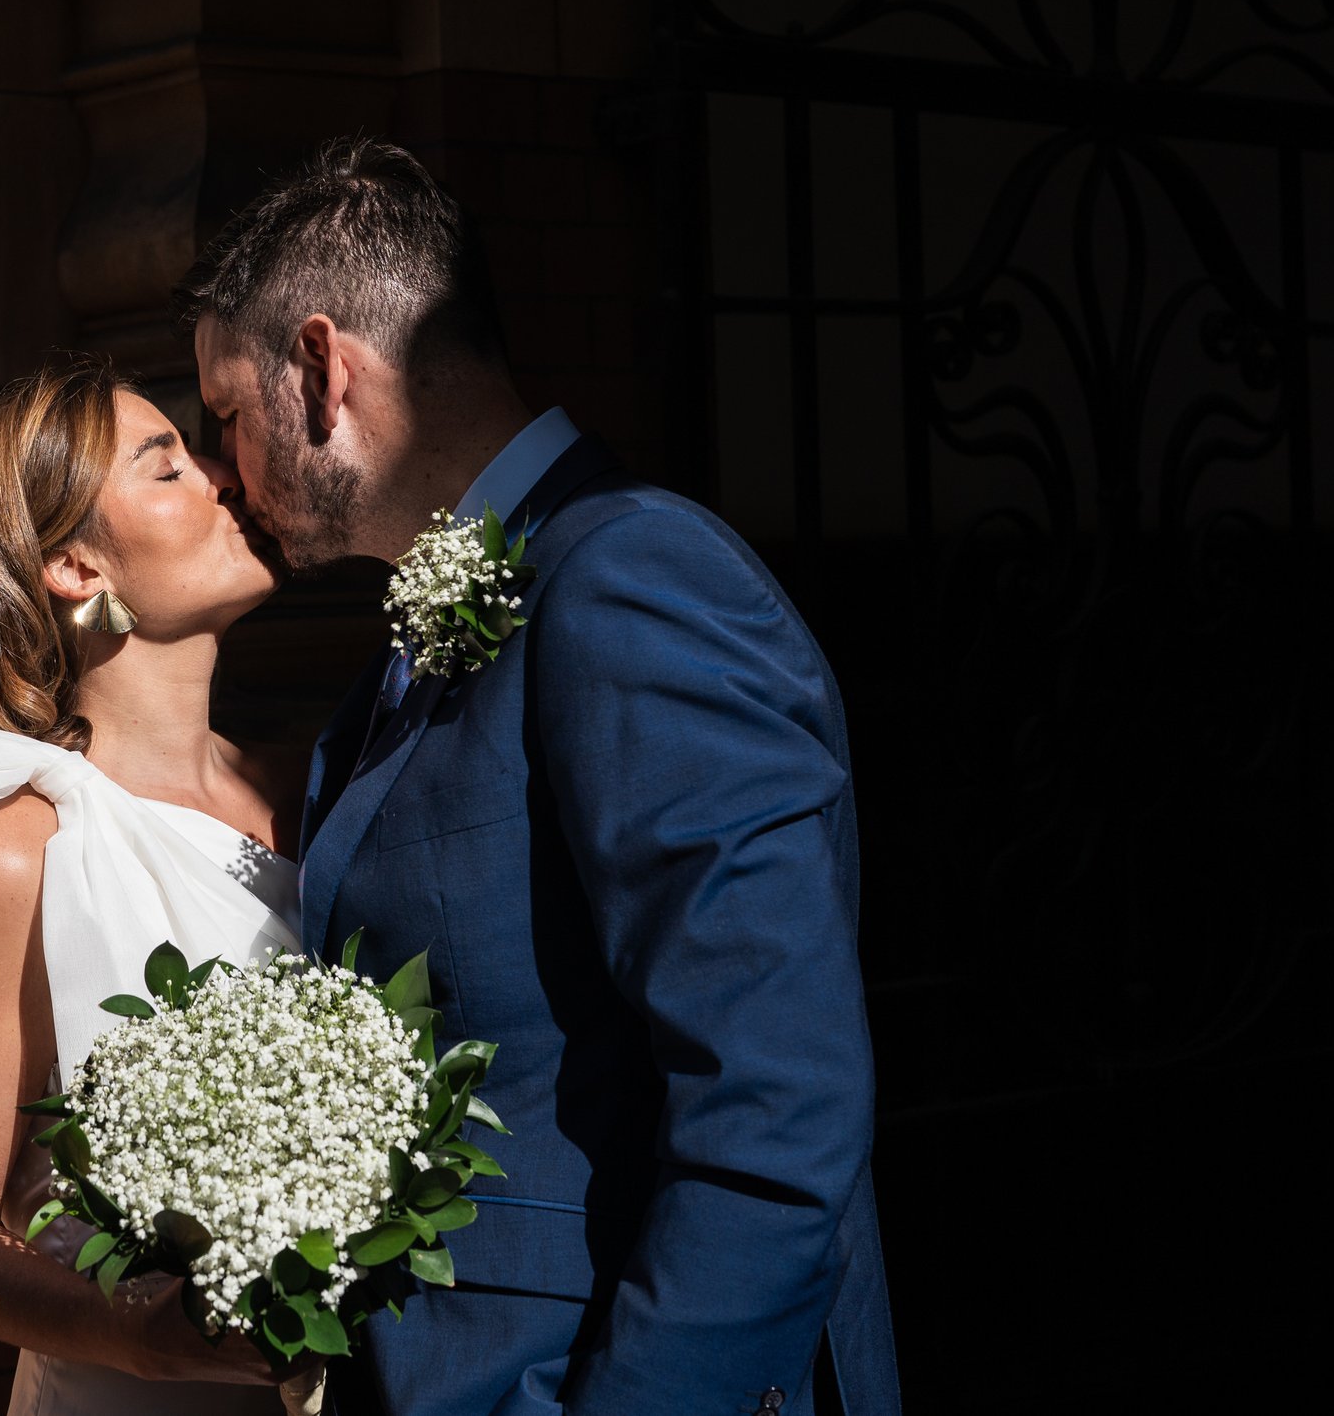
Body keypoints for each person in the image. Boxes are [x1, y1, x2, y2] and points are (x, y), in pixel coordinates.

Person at [183, 138, 903, 1416]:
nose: (226, 469)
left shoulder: (631, 575)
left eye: (226, 413)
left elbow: (776, 1114)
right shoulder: (433, 629)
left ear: (321, 366)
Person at [0, 364, 307, 1415]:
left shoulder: (313, 792)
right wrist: (142, 1335)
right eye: (168, 466)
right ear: (74, 562)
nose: (226, 479)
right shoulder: (11, 849)